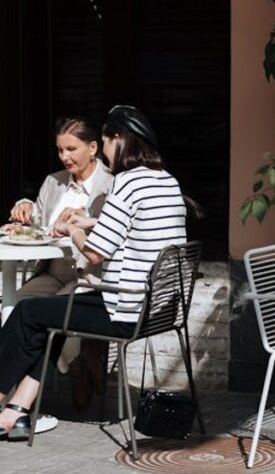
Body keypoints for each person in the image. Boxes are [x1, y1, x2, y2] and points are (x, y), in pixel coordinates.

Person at [0, 105, 186, 440]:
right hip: (161, 309)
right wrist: (89, 221)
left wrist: (73, 230)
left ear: (118, 140)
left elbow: (94, 251)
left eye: (106, 142)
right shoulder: (166, 181)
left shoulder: (126, 183)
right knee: (47, 316)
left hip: (123, 309)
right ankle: (15, 413)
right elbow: (134, 227)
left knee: (29, 313)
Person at [9, 116, 112, 301]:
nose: (64, 157)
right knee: (15, 304)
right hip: (52, 274)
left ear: (93, 148)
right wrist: (26, 208)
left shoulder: (111, 183)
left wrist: (85, 218)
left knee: (47, 311)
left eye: (71, 149)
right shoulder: (53, 181)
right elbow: (39, 224)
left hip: (88, 277)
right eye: (60, 150)